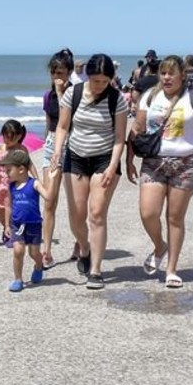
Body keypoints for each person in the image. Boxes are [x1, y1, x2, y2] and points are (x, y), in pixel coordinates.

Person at [125, 55, 193, 289]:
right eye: (163, 73)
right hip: (154, 161)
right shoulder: (150, 97)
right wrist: (129, 159)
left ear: (182, 75)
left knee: (175, 217)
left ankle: (171, 269)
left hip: (186, 163)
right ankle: (160, 246)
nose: (167, 77)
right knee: (148, 213)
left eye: (172, 73)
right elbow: (138, 128)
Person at [50, 54, 129, 289]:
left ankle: (96, 269)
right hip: (75, 157)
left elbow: (119, 138)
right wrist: (57, 151)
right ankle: (83, 246)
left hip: (104, 159)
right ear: (88, 76)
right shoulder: (73, 94)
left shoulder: (117, 99)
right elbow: (62, 126)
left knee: (96, 214)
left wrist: (114, 165)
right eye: (96, 81)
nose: (100, 86)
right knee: (76, 215)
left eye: (105, 82)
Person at [0, 150, 59, 292]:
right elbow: (8, 205)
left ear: (21, 169)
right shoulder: (11, 186)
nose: (6, 174)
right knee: (18, 251)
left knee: (33, 253)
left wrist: (51, 178)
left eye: (9, 170)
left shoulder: (34, 184)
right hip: (17, 224)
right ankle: (18, 279)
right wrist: (7, 225)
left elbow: (49, 197)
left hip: (34, 225)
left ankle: (39, 265)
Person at [39, 51, 76, 268]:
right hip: (52, 145)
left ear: (69, 73)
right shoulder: (47, 96)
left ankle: (80, 243)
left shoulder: (75, 93)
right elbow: (49, 123)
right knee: (50, 199)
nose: (56, 77)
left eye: (60, 72)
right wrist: (46, 144)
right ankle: (47, 251)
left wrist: (62, 93)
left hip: (71, 146)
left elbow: (67, 120)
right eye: (53, 72)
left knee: (75, 202)